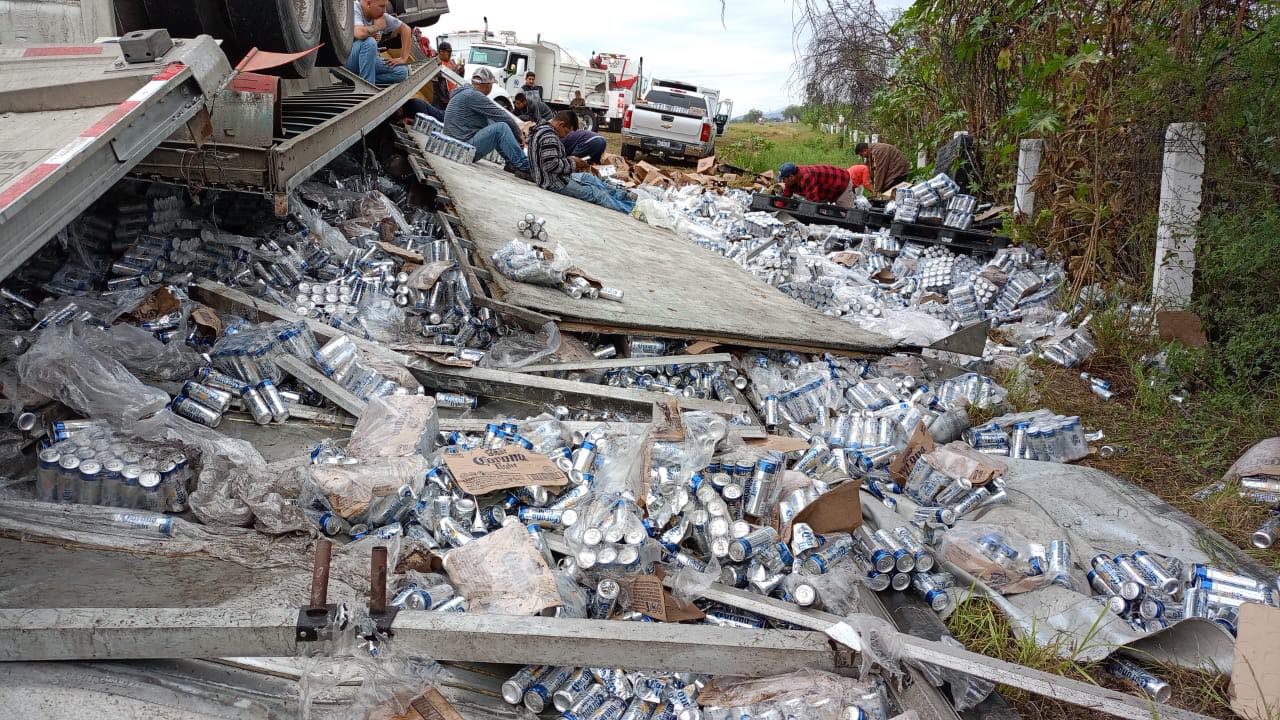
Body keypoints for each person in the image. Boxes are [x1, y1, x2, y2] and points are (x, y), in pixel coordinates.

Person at [528, 110, 635, 213]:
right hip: (553, 182)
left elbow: (550, 162)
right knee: (596, 194)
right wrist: (573, 162)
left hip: (555, 176)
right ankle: (631, 209)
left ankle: (623, 196)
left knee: (589, 178)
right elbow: (550, 165)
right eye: (566, 132)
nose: (565, 135)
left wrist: (571, 161)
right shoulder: (549, 136)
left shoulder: (544, 129)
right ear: (561, 124)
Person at [443, 68, 529, 171]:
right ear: (488, 85)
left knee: (492, 121)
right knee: (501, 128)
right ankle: (524, 166)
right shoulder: (474, 95)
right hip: (463, 149)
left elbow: (495, 117)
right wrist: (519, 134)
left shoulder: (465, 92)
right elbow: (501, 115)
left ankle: (511, 161)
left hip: (455, 146)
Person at [347, 0, 413, 85]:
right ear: (369, 4)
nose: (384, 10)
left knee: (402, 72)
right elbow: (359, 33)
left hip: (367, 62)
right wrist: (377, 27)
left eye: (385, 6)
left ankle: (357, 82)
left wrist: (403, 58)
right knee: (370, 43)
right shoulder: (354, 8)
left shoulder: (381, 16)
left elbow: (406, 29)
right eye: (381, 6)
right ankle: (367, 88)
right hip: (347, 62)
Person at [777, 162, 856, 209]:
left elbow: (813, 202)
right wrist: (777, 207)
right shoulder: (792, 179)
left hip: (842, 181)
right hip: (828, 186)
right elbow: (786, 194)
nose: (783, 182)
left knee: (846, 214)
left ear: (791, 177)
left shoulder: (806, 177)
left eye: (784, 179)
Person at [428, 41, 455, 113]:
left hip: (452, 97)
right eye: (448, 52)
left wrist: (461, 71)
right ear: (441, 52)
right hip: (440, 99)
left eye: (450, 51)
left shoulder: (452, 62)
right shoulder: (435, 62)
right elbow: (433, 79)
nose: (450, 54)